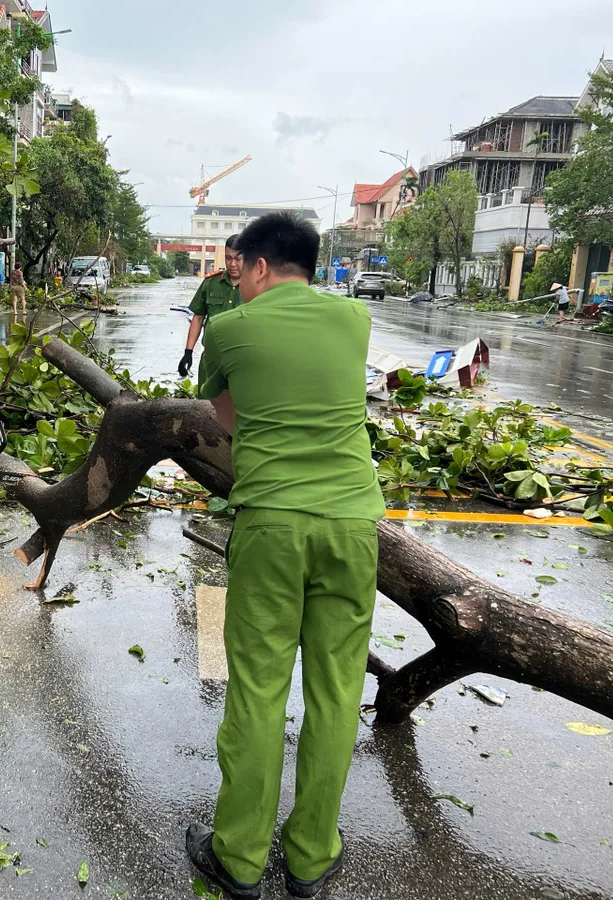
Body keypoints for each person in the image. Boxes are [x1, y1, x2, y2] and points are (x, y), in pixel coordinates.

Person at [188, 212, 385, 899]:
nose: (237, 282)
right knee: (336, 693)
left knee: (258, 688)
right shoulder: (354, 321)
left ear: (263, 267)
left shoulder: (231, 328)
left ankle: (239, 858)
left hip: (272, 522)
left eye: (241, 270)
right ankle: (310, 857)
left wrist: (264, 431)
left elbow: (222, 410)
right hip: (354, 524)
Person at [178, 234, 243, 378]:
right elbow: (198, 318)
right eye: (228, 258)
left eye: (238, 259)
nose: (232, 264)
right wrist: (188, 352)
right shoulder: (211, 283)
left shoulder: (257, 286)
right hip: (211, 359)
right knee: (206, 400)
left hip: (243, 361)